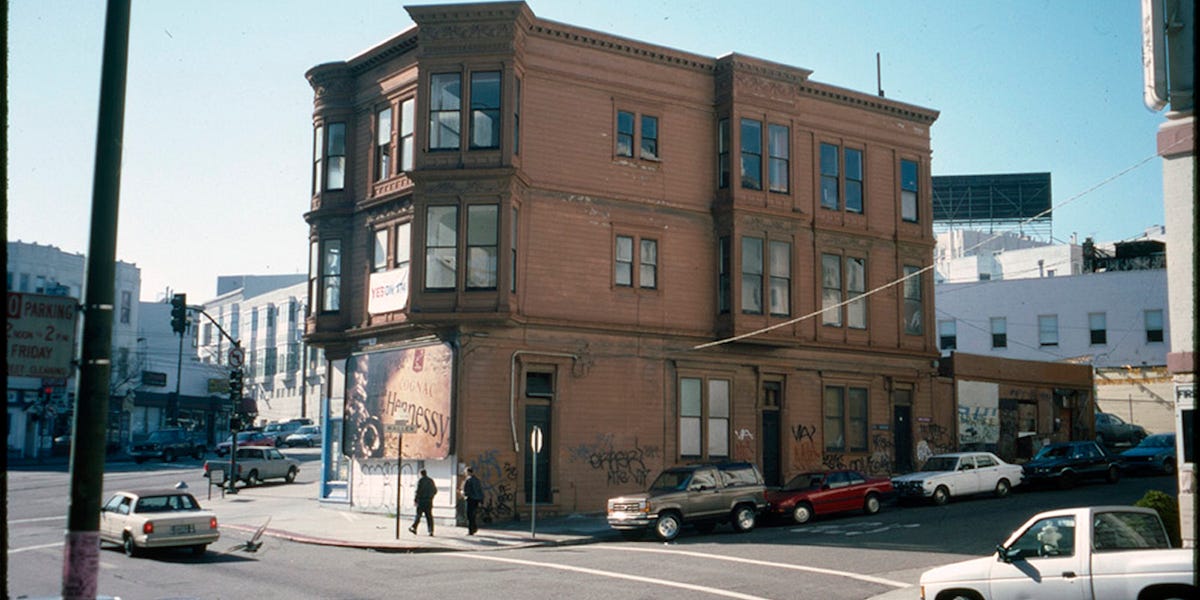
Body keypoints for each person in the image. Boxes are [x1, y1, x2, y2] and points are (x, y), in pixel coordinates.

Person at [409, 469, 437, 536]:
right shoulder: (431, 481)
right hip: (429, 501)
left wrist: (415, 500)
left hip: (421, 501)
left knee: (418, 515)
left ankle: (414, 527)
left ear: (420, 474)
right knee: (429, 516)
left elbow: (417, 491)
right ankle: (431, 531)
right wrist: (431, 497)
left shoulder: (420, 481)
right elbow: (435, 490)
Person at [460, 466, 484, 535]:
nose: (465, 473)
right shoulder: (477, 480)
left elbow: (465, 491)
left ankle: (471, 530)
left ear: (468, 472)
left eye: (465, 472)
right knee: (473, 514)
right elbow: (480, 490)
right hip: (476, 499)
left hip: (470, 499)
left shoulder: (468, 480)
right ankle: (474, 527)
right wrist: (481, 499)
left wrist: (462, 493)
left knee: (469, 515)